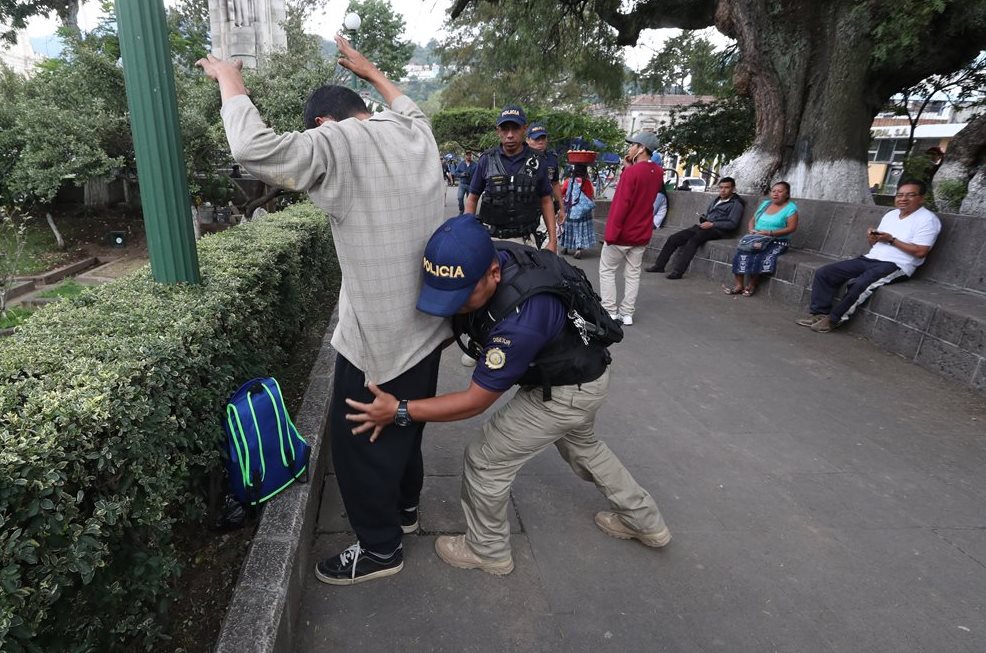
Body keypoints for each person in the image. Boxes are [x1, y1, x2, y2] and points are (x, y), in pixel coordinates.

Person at [197, 35, 449, 585]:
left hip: (378, 335)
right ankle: (404, 512)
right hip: (430, 324)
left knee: (361, 442)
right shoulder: (413, 133)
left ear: (322, 124)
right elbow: (411, 104)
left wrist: (229, 80)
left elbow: (254, 148)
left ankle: (381, 548)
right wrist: (372, 70)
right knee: (406, 424)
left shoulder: (337, 143)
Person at [344, 214, 671, 576]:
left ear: (493, 276)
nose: (451, 306)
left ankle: (487, 550)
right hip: (582, 373)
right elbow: (459, 324)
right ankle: (646, 521)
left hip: (565, 393)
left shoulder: (520, 318)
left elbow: (475, 401)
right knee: (584, 447)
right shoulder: (481, 256)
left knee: (485, 459)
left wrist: (400, 410)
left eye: (459, 297)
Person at [797, 179, 941, 333]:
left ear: (921, 198)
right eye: (899, 195)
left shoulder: (928, 220)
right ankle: (820, 313)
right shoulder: (891, 215)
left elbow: (921, 252)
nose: (903, 199)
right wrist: (873, 238)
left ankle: (834, 320)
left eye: (910, 195)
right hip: (870, 258)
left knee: (860, 284)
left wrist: (891, 240)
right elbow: (876, 245)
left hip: (896, 265)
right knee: (825, 273)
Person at [466, 105, 558, 253]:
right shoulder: (486, 160)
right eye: (505, 129)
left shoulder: (538, 161)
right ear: (498, 131)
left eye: (515, 128)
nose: (510, 135)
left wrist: (553, 241)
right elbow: (472, 198)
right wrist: (468, 234)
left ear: (524, 129)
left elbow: (546, 201)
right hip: (491, 241)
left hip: (527, 241)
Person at [599, 132, 664, 326]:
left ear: (642, 148)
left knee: (607, 271)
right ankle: (627, 313)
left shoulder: (631, 173)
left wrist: (610, 235)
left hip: (622, 233)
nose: (630, 148)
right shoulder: (658, 172)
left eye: (633, 145)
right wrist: (630, 168)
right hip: (642, 232)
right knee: (633, 274)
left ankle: (609, 310)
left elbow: (621, 206)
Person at [647, 177, 744, 278]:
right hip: (704, 226)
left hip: (718, 230)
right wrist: (704, 218)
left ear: (733, 189)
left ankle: (678, 272)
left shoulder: (736, 203)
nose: (723, 190)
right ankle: (659, 265)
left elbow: (733, 223)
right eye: (721, 187)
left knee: (693, 240)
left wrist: (713, 224)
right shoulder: (717, 200)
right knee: (674, 238)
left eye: (726, 188)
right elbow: (710, 214)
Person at [724, 181, 799, 297]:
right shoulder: (765, 204)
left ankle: (752, 284)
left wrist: (770, 233)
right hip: (757, 237)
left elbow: (791, 228)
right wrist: (751, 230)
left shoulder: (791, 208)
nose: (776, 194)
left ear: (787, 194)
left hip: (777, 240)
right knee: (741, 251)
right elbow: (752, 220)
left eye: (780, 191)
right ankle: (739, 285)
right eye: (773, 191)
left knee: (761, 255)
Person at [526, 122, 565, 227]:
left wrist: (562, 208)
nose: (540, 142)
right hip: (527, 209)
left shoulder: (552, 158)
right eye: (536, 139)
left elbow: (555, 183)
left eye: (543, 139)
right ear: (527, 140)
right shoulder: (522, 158)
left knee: (549, 241)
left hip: (548, 208)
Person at [558, 163, 596, 259]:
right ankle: (578, 249)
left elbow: (562, 192)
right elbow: (590, 195)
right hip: (583, 212)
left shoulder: (568, 181)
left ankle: (566, 247)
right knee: (580, 229)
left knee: (568, 228)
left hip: (571, 210)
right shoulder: (587, 182)